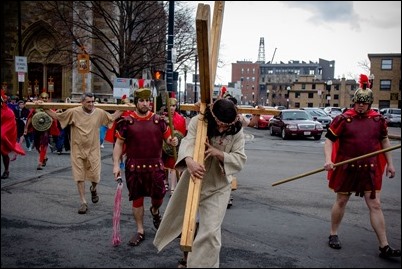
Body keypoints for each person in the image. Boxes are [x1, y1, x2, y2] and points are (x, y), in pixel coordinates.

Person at [153, 98, 247, 268]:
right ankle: (187, 258)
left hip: (218, 186)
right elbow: (189, 140)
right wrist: (189, 160)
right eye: (219, 124)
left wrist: (219, 153)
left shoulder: (236, 131)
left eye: (225, 126)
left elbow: (240, 159)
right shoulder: (199, 121)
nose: (221, 129)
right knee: (184, 223)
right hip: (194, 179)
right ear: (213, 117)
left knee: (210, 232)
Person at [323, 74, 400, 259]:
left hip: (370, 167)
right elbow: (329, 140)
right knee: (341, 201)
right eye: (358, 102)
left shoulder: (378, 120)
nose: (360, 105)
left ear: (370, 103)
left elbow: (384, 141)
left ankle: (384, 246)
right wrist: (328, 160)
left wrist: (390, 163)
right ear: (354, 101)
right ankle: (333, 234)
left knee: (375, 204)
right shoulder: (343, 119)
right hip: (346, 165)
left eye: (364, 103)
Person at [112, 86, 178, 247]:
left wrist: (172, 141)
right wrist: (116, 165)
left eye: (147, 100)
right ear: (136, 103)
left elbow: (168, 139)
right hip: (134, 168)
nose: (145, 103)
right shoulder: (127, 122)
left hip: (155, 167)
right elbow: (119, 144)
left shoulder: (159, 121)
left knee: (158, 198)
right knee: (137, 200)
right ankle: (140, 230)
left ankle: (155, 211)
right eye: (141, 100)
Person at [41, 92, 123, 214]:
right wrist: (43, 106)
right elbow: (57, 116)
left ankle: (93, 189)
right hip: (77, 150)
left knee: (95, 177)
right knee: (79, 176)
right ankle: (83, 202)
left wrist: (124, 106)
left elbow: (112, 117)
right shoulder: (74, 112)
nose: (91, 104)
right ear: (82, 102)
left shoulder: (99, 112)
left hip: (93, 150)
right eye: (88, 102)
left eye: (92, 101)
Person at [24, 91, 60, 170]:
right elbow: (30, 117)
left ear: (48, 99)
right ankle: (44, 157)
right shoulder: (36, 106)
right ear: (40, 98)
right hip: (36, 128)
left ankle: (40, 163)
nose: (44, 99)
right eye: (42, 98)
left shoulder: (50, 107)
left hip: (45, 129)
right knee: (37, 145)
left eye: (46, 98)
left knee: (44, 145)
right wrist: (26, 128)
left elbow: (54, 117)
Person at [162, 94, 187, 196]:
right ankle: (165, 182)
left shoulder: (181, 118)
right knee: (163, 164)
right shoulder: (162, 117)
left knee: (173, 165)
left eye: (173, 106)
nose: (172, 108)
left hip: (176, 144)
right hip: (163, 143)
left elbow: (183, 133)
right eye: (170, 105)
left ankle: (173, 188)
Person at [1, 90, 26, 179]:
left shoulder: (9, 112)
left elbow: (8, 126)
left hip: (3, 138)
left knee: (3, 153)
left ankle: (6, 170)